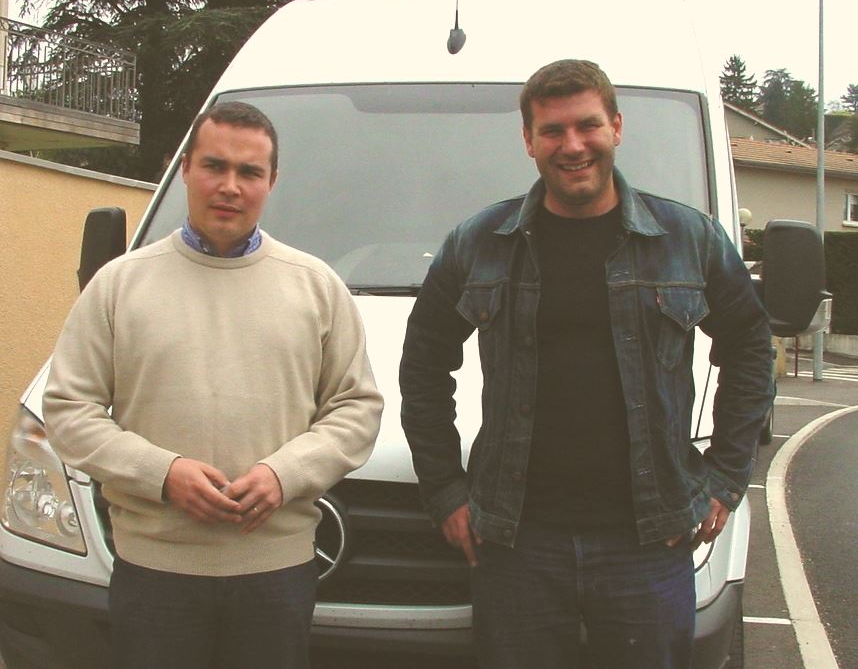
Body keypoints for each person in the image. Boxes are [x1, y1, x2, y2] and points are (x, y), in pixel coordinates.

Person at [399, 60, 773, 668]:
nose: (572, 145)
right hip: (516, 545)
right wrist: (444, 489)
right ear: (529, 140)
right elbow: (422, 365)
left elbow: (751, 349)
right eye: (552, 130)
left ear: (616, 127)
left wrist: (724, 479)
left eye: (587, 126)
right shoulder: (478, 243)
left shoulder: (689, 239)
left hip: (648, 545)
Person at [43, 101, 383, 669]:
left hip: (276, 575)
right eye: (214, 166)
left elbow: (357, 408)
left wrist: (284, 474)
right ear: (184, 169)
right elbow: (68, 410)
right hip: (154, 574)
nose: (230, 186)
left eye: (249, 172)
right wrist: (162, 474)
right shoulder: (118, 285)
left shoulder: (317, 287)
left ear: (272, 181)